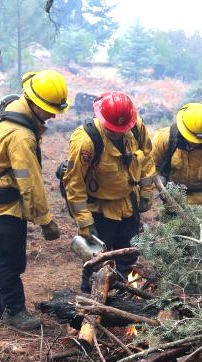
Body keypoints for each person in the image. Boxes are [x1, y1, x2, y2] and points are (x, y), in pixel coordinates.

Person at [0, 70, 69, 330]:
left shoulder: (14, 107)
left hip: (0, 202)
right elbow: (31, 185)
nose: (52, 116)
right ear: (35, 103)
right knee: (12, 260)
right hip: (6, 207)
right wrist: (46, 220)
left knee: (4, 254)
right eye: (49, 110)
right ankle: (14, 312)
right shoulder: (21, 137)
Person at [61, 91, 156, 293]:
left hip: (128, 204)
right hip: (99, 209)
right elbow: (74, 182)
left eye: (120, 129)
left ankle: (124, 297)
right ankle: (89, 305)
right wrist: (84, 222)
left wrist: (146, 192)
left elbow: (147, 158)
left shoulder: (136, 127)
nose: (116, 132)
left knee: (128, 256)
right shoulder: (86, 141)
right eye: (112, 129)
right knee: (97, 261)